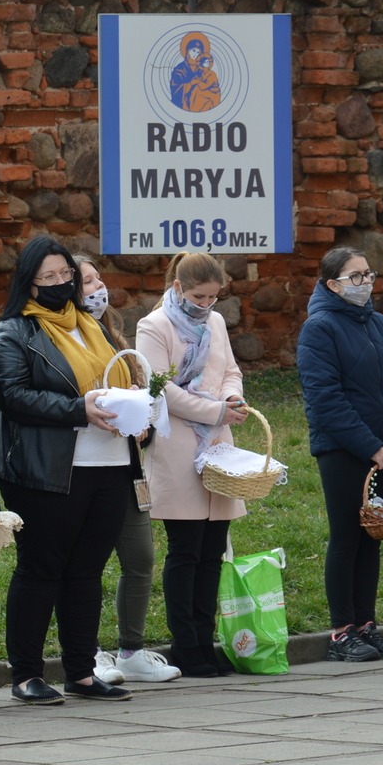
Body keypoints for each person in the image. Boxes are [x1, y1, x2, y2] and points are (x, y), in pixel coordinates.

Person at [0, 236, 142, 705]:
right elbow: (10, 395)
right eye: (48, 277)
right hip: (49, 470)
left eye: (65, 275)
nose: (60, 284)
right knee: (41, 569)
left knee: (87, 571)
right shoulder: (14, 331)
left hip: (110, 464)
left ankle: (81, 671)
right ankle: (27, 674)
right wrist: (78, 409)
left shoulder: (91, 325)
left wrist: (138, 407)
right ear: (29, 284)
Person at [296, 246, 383, 662]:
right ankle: (341, 633)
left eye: (368, 275)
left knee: (373, 539)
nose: (365, 283)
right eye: (355, 277)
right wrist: (372, 447)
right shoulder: (319, 328)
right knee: (347, 537)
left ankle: (367, 627)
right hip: (343, 451)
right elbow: (325, 399)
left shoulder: (381, 325)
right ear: (332, 284)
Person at [136, 253, 247, 678]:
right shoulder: (154, 326)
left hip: (218, 441)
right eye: (199, 296)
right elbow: (159, 389)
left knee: (213, 550)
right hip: (177, 442)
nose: (206, 305)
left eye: (214, 297)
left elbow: (230, 370)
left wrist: (232, 399)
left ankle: (206, 638)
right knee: (186, 550)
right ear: (179, 287)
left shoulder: (215, 322)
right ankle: (184, 642)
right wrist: (215, 411)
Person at [75, 256, 181, 685]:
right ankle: (90, 653)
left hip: (128, 467)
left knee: (140, 558)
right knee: (89, 564)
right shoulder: (64, 342)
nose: (97, 288)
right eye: (86, 282)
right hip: (87, 468)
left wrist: (143, 414)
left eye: (98, 278)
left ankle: (132, 650)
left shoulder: (114, 337)